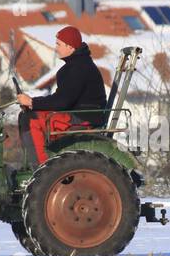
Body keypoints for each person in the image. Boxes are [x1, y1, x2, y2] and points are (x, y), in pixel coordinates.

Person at [16, 26, 107, 167]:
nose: (56, 48)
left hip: (84, 119)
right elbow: (60, 98)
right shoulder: (77, 65)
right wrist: (32, 103)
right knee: (28, 114)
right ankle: (38, 166)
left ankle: (42, 169)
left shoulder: (79, 68)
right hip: (78, 114)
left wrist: (32, 102)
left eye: (58, 44)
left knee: (30, 119)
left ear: (70, 47)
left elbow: (62, 102)